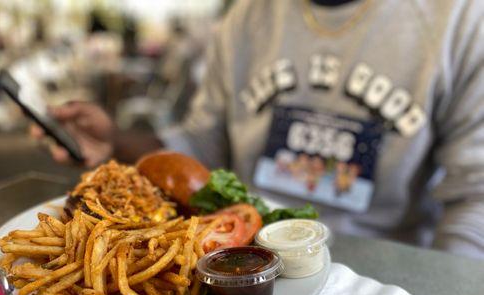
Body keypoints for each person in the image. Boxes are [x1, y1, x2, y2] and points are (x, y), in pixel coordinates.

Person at [31, 0, 484, 259]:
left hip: (380, 264)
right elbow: (200, 146)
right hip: (241, 255)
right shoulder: (246, 18)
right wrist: (114, 141)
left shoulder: (459, 21)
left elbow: (475, 201)